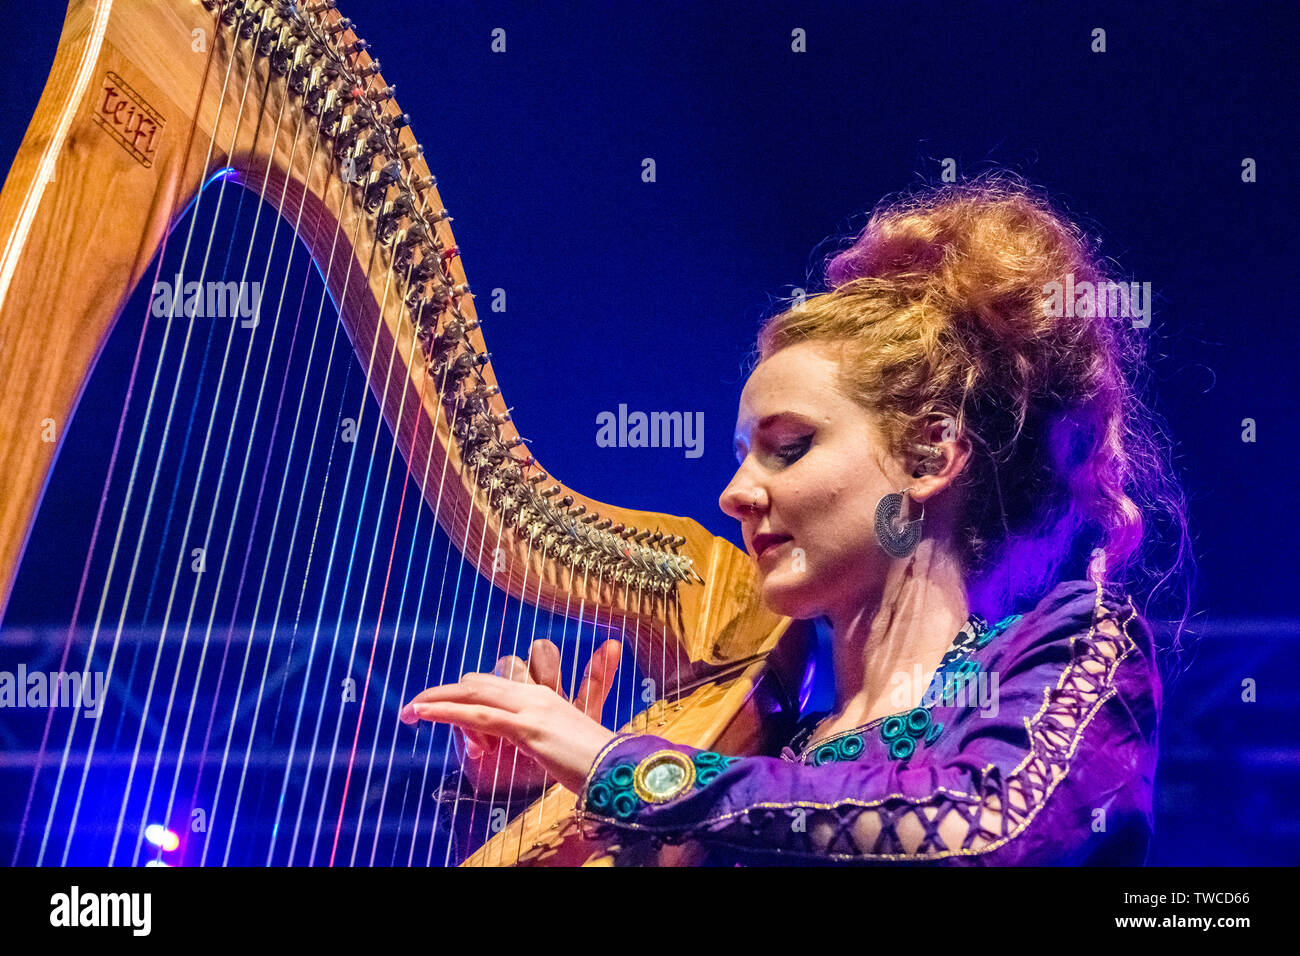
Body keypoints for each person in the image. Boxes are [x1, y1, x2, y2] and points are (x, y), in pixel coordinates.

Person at [400, 172, 1192, 864]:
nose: (735, 494)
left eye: (787, 448)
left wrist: (612, 764)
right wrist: (523, 799)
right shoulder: (762, 754)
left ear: (928, 457)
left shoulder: (1072, 645)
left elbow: (980, 834)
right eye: (743, 455)